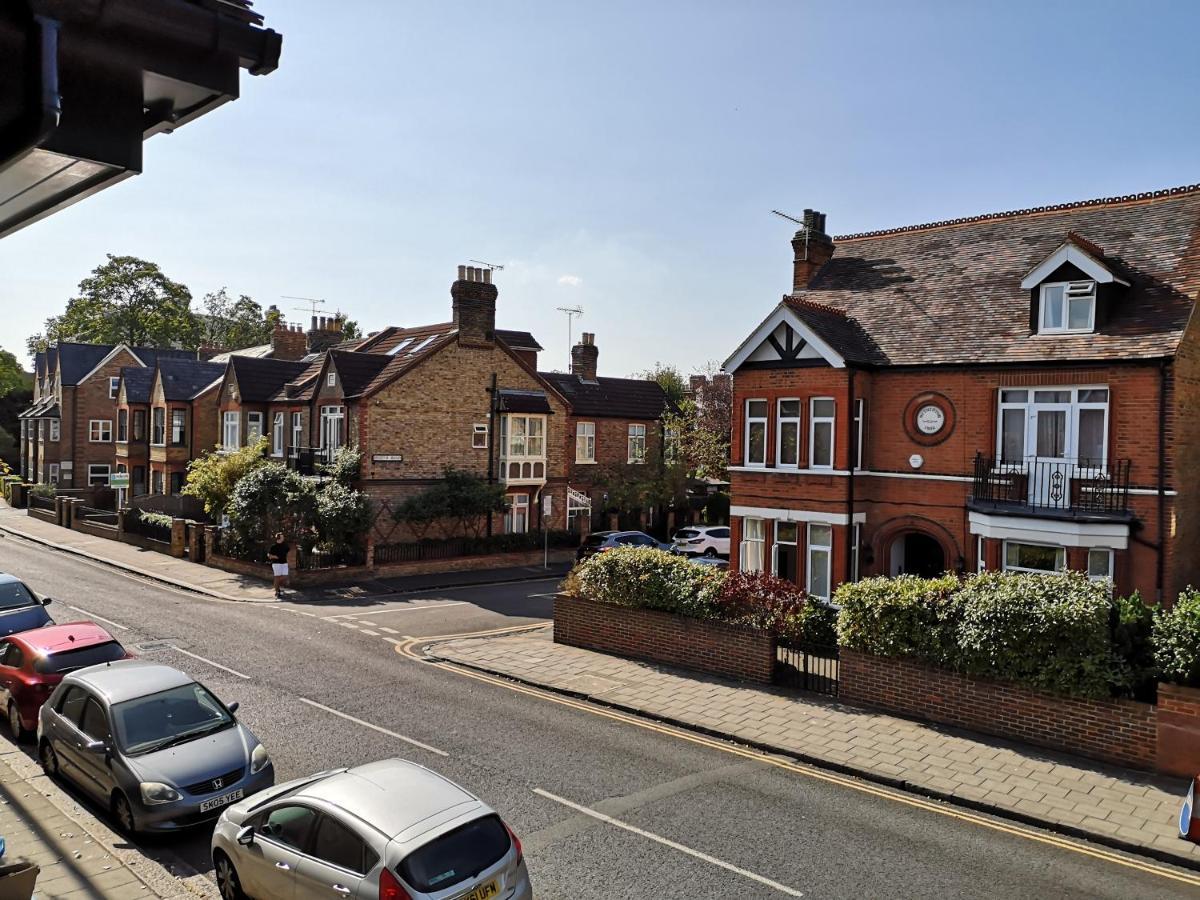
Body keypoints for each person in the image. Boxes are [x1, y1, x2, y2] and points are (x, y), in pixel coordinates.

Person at [267, 531, 290, 598]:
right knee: (277, 578)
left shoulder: (285, 545)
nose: (284, 538)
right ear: (279, 538)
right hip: (276, 564)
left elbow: (288, 550)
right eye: (282, 537)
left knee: (284, 576)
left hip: (284, 563)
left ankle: (277, 585)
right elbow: (268, 554)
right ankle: (277, 591)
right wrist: (274, 556)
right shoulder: (274, 546)